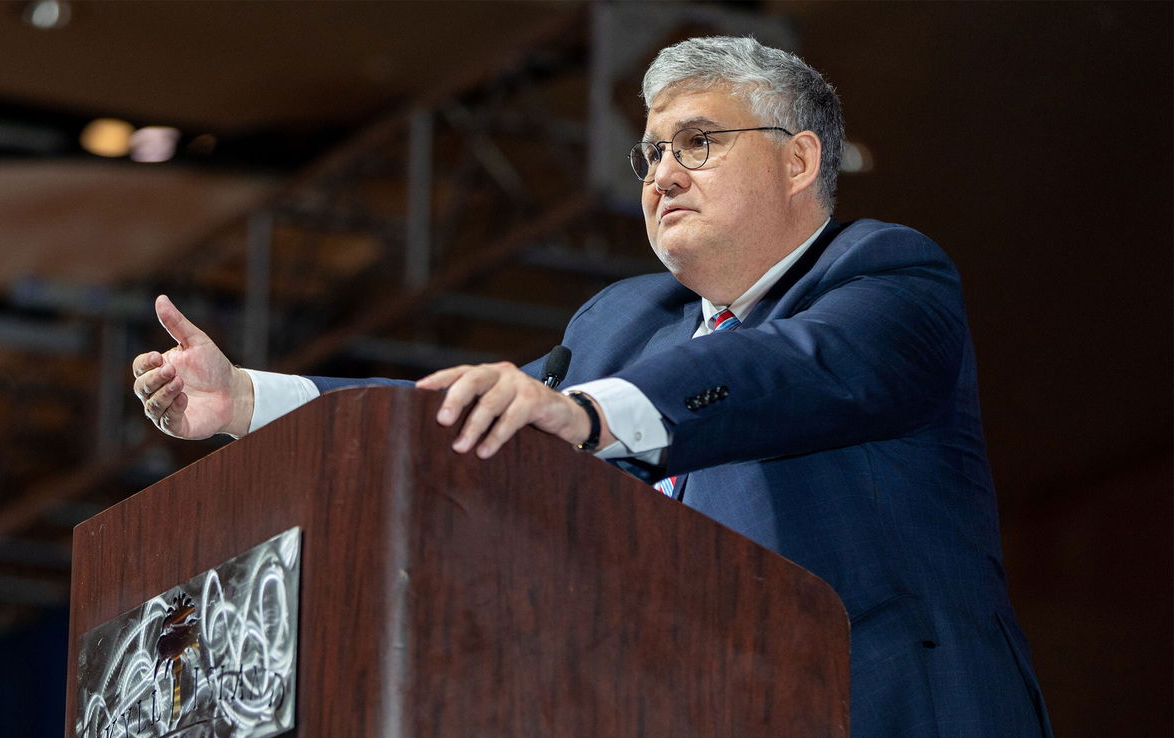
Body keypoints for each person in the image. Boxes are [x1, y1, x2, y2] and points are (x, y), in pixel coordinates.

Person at [132, 36, 1052, 737]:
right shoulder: (622, 324)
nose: (663, 175)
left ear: (800, 161)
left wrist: (581, 414)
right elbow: (449, 421)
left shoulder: (885, 276)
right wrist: (247, 401)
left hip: (886, 704)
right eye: (649, 154)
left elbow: (787, 371)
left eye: (698, 141)